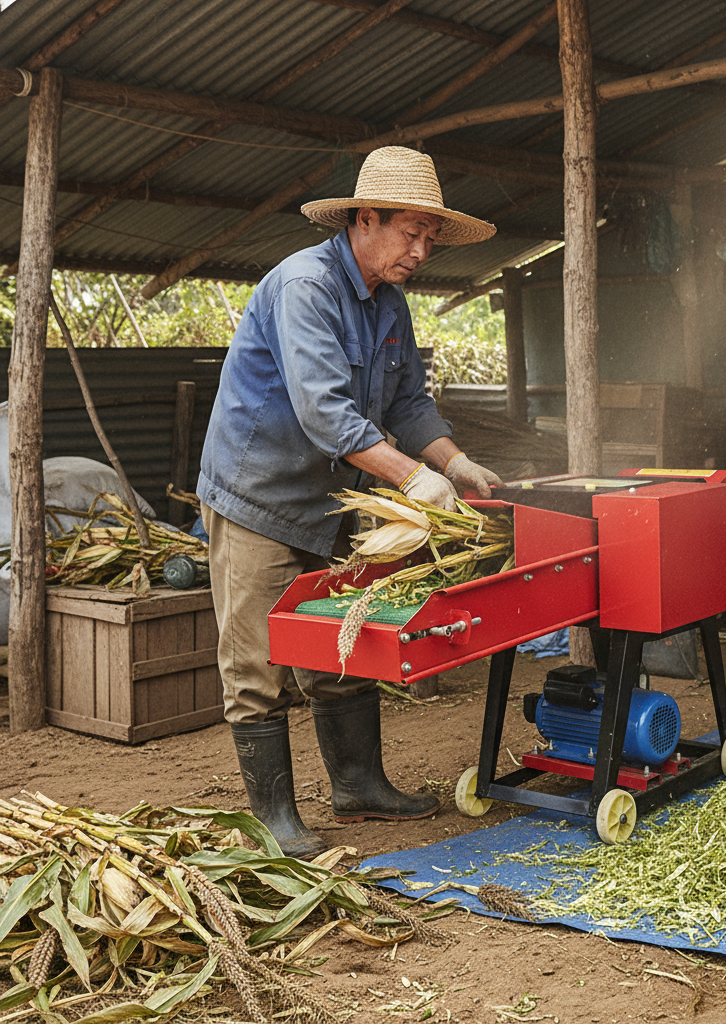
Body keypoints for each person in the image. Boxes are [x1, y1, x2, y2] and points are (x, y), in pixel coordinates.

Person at [197, 146, 503, 857]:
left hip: (330, 500)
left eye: (431, 235)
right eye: (410, 232)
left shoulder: (389, 303)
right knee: (257, 662)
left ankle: (359, 785)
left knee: (342, 641)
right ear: (364, 219)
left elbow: (409, 401)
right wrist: (412, 479)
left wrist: (456, 464)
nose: (422, 250)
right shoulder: (304, 286)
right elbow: (325, 414)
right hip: (257, 497)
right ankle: (271, 819)